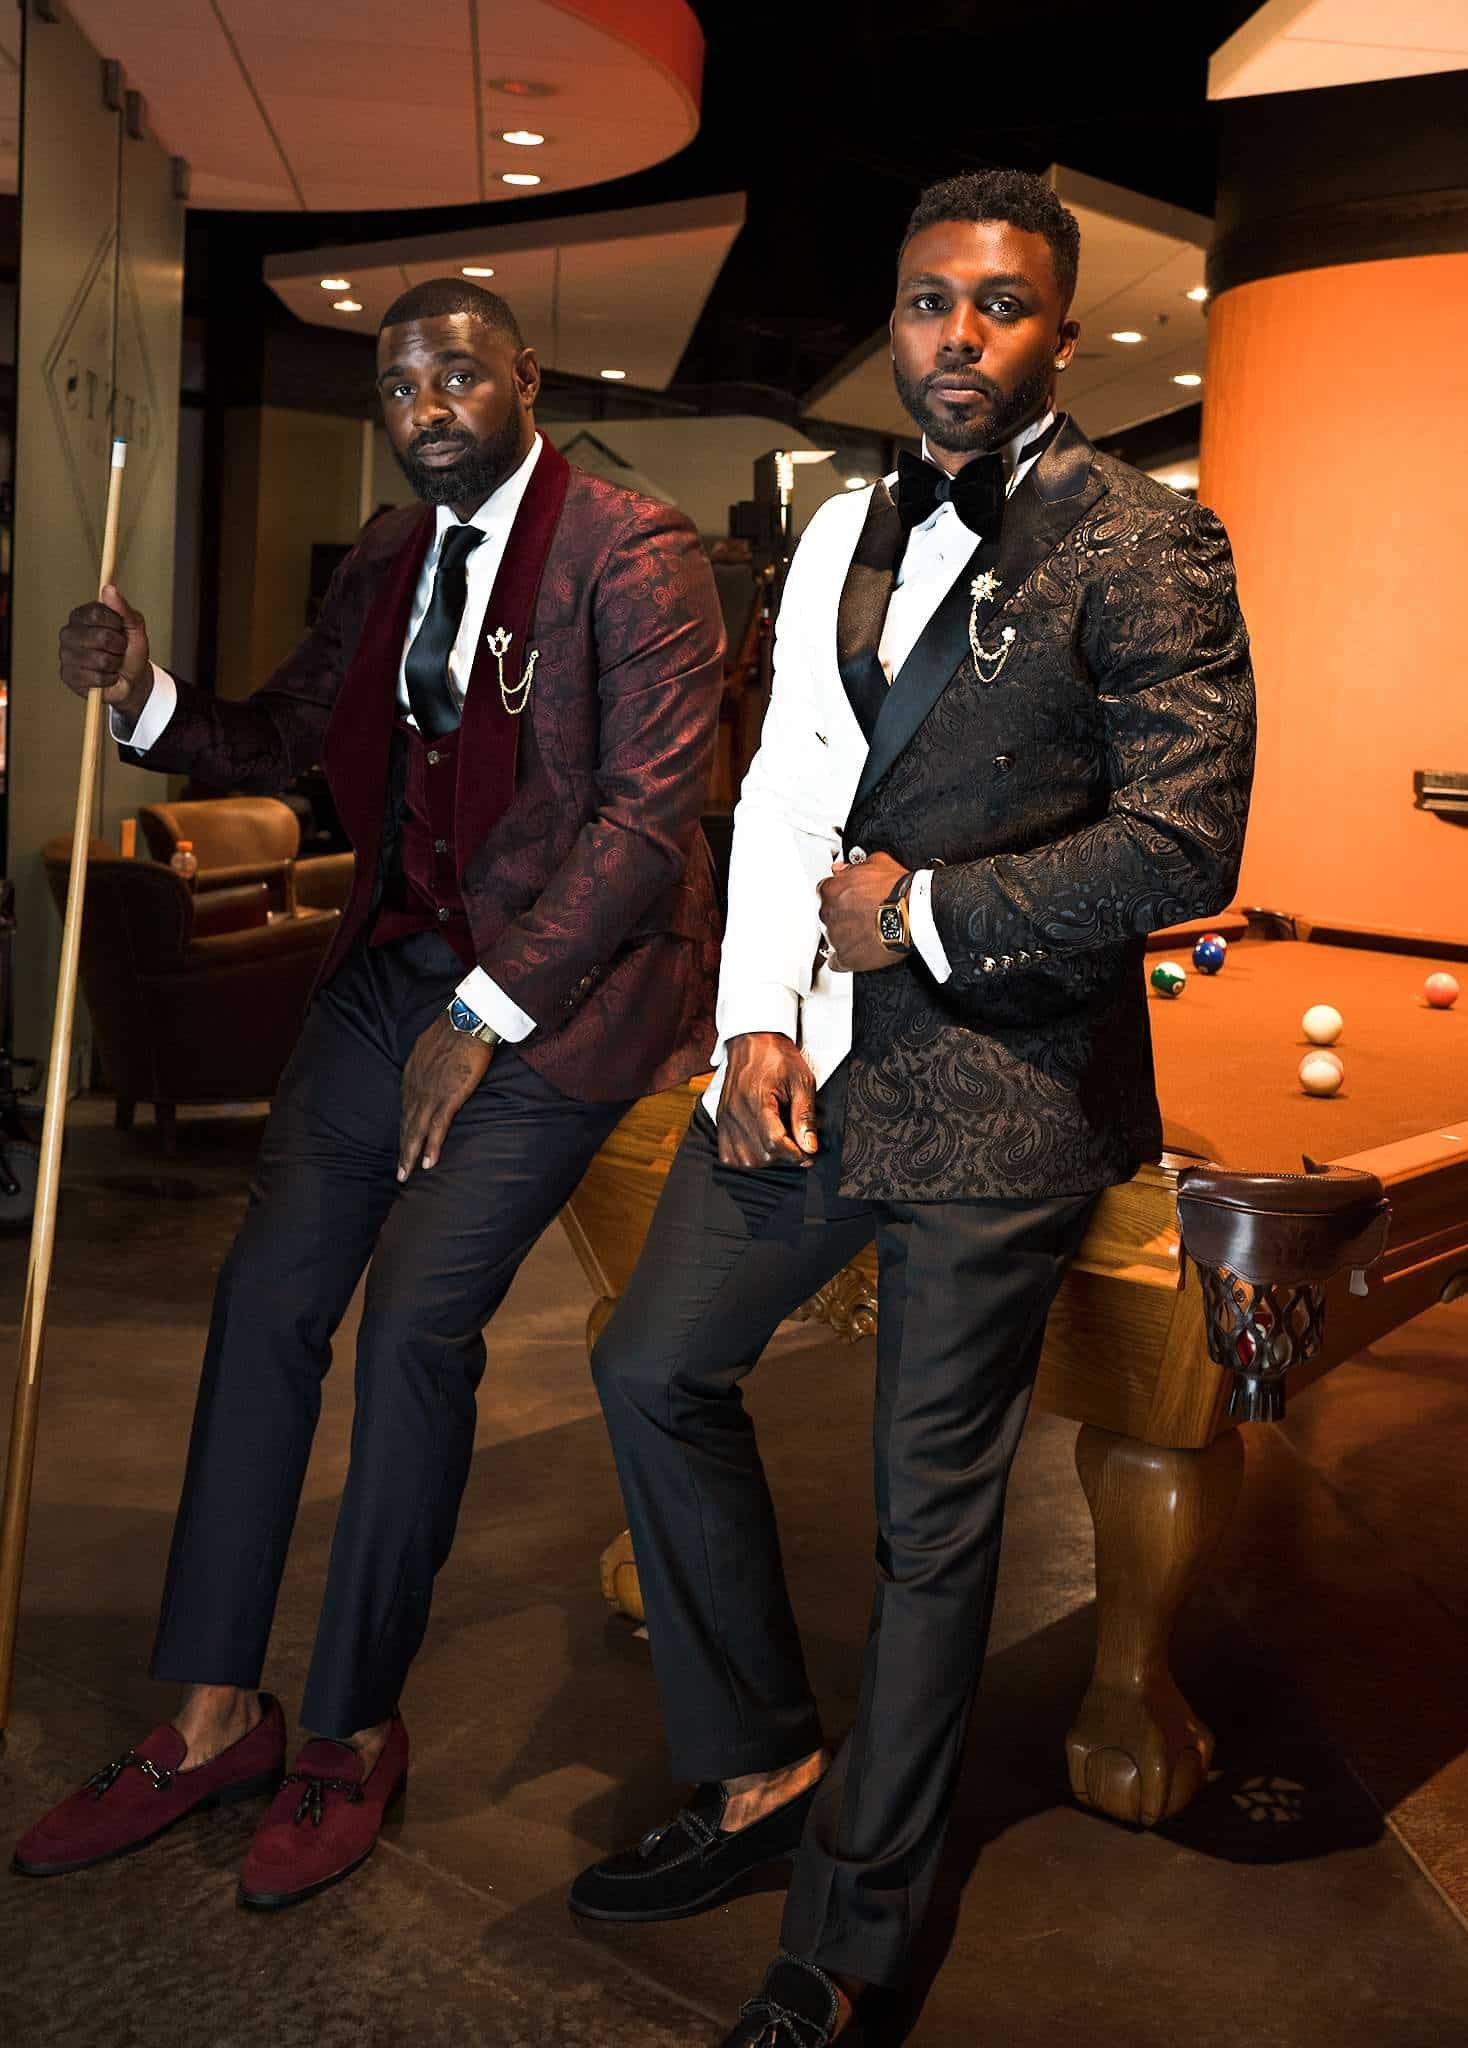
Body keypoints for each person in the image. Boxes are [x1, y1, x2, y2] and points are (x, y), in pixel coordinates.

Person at [572, 170, 1255, 2042]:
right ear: (894, 315)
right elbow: (793, 781)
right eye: (929, 298)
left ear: (1062, 331)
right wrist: (759, 1022)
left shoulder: (1149, 543)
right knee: (651, 1367)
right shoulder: (843, 527)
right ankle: (762, 1771)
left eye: (1002, 305)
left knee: (927, 1521)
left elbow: (1189, 838)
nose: (958, 335)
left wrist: (933, 915)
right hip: (824, 1061)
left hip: (1014, 1079)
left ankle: (853, 1935)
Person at [15, 279, 724, 1908]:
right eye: (400, 386)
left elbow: (644, 823)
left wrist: (484, 1011)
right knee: (266, 1304)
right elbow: (287, 744)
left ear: (525, 379)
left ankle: (347, 1726)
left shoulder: (637, 552)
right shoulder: (390, 561)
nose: (427, 406)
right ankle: (209, 1712)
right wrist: (142, 693)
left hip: (566, 999)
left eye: (460, 373)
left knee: (412, 1324)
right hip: (394, 975)